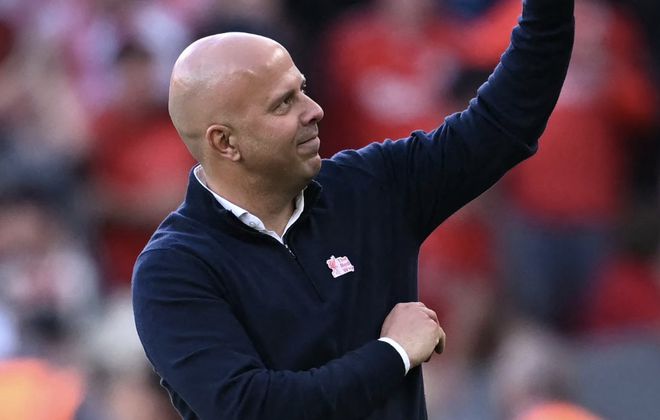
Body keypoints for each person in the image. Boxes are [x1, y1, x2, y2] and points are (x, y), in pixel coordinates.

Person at [132, 0, 575, 418]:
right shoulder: (175, 268)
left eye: (303, 90)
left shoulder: (368, 187)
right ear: (225, 142)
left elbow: (502, 123)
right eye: (284, 103)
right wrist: (393, 353)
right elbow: (253, 409)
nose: (314, 110)